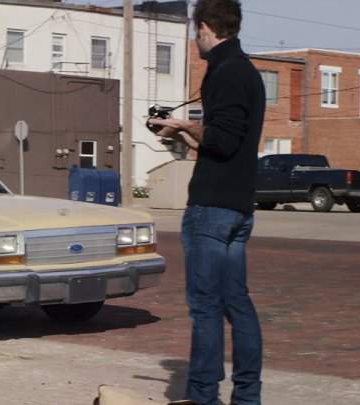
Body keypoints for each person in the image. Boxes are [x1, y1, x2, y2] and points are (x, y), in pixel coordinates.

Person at [149, 0, 264, 404]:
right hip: (237, 207)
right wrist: (181, 135)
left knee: (205, 308)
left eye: (193, 30)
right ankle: (248, 397)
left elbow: (224, 139)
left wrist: (185, 124)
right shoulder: (247, 71)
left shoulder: (226, 71)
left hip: (212, 209)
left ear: (204, 28)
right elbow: (226, 144)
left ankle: (203, 397)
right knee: (237, 303)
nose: (192, 39)